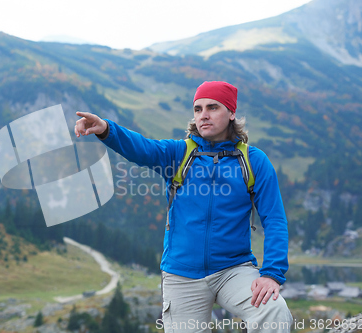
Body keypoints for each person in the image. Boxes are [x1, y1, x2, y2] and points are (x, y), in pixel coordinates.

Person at [74, 81, 292, 332]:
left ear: (231, 113)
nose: (204, 115)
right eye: (198, 109)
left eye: (213, 107)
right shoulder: (179, 153)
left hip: (234, 270)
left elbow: (274, 220)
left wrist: (271, 274)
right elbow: (142, 148)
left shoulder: (254, 161)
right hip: (182, 274)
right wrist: (106, 130)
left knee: (274, 312)